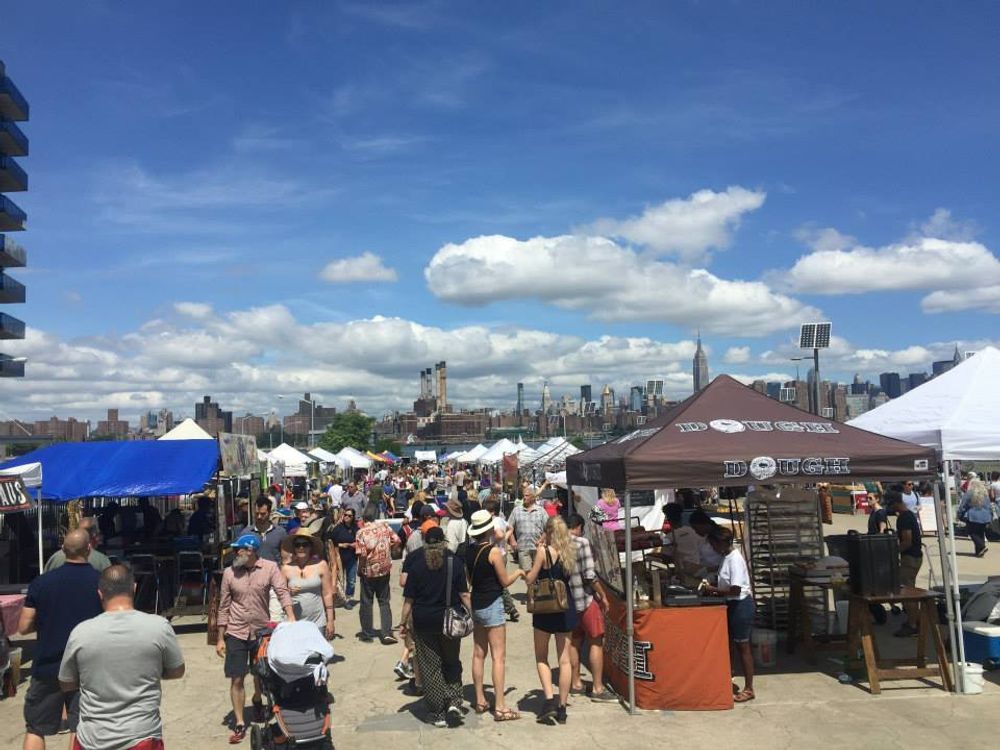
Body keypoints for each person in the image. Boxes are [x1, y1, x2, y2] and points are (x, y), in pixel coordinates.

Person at [58, 564, 185, 750]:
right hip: (142, 736)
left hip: (92, 738)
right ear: (134, 588)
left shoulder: (81, 632)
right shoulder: (159, 627)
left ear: (100, 593)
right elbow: (177, 670)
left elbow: (66, 682)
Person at [18, 530, 103, 750]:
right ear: (89, 549)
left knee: (35, 728)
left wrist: (47, 621)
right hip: (86, 668)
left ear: (63, 550)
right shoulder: (100, 583)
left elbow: (23, 627)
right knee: (80, 728)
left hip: (47, 666)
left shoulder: (41, 583)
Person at [216, 534, 295, 745]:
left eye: (238, 550)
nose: (235, 553)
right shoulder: (229, 573)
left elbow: (282, 591)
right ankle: (241, 722)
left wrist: (291, 616)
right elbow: (223, 606)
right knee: (237, 677)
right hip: (236, 631)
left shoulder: (269, 568)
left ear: (250, 551)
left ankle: (258, 699)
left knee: (262, 674)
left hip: (261, 630)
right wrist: (220, 638)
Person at [399, 526, 472, 728]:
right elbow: (464, 595)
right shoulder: (454, 562)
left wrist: (403, 623)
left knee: (431, 668)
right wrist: (472, 615)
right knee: (451, 661)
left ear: (425, 542)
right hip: (450, 622)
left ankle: (437, 711)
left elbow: (409, 600)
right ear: (443, 542)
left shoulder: (415, 563)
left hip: (423, 623)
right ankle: (454, 702)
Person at [465, 510, 525, 721]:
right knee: (498, 656)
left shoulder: (468, 551)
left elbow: (469, 580)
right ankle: (500, 706)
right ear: (489, 529)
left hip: (477, 603)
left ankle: (480, 699)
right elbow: (505, 581)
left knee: (478, 653)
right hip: (492, 603)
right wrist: (518, 573)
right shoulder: (493, 553)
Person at [525, 516, 578, 725]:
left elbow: (530, 579)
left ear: (547, 531)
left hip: (545, 608)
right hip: (565, 607)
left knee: (541, 657)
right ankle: (562, 706)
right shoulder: (569, 552)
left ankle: (549, 700)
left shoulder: (542, 552)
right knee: (564, 660)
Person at [701, 526, 755, 703]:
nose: (713, 549)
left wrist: (713, 589)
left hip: (741, 605)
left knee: (743, 647)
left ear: (721, 543)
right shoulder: (726, 557)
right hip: (732, 605)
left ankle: (749, 688)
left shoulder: (735, 559)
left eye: (714, 545)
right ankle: (727, 677)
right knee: (732, 644)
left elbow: (735, 589)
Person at [566, 514, 614, 701]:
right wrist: (603, 595)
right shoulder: (582, 543)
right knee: (595, 640)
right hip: (584, 599)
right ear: (578, 527)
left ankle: (575, 683)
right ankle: (597, 687)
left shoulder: (556, 543)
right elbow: (589, 575)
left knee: (574, 640)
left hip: (567, 603)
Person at [355, 502, 399, 644]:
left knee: (367, 602)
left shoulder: (361, 532)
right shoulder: (385, 527)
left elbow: (361, 555)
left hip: (368, 571)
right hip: (384, 569)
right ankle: (386, 632)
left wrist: (359, 569)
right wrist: (388, 550)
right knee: (384, 601)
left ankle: (367, 633)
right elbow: (397, 540)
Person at [280, 530, 335, 639]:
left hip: (318, 620)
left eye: (305, 544)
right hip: (294, 621)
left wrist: (330, 621)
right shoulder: (286, 568)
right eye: (297, 545)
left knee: (317, 654)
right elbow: (281, 594)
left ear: (311, 547)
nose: (301, 548)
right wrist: (289, 592)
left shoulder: (321, 565)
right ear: (294, 548)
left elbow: (327, 594)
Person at [885, 491, 923, 638]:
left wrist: (894, 552)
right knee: (908, 591)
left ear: (895, 503)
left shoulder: (904, 518)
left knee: (907, 593)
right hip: (913, 557)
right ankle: (915, 620)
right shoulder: (908, 515)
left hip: (910, 558)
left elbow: (907, 540)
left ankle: (913, 625)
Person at [506, 485, 549, 572]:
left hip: (538, 547)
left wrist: (541, 539)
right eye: (523, 495)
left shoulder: (541, 511)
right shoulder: (516, 510)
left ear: (533, 498)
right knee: (527, 575)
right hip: (523, 548)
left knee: (539, 573)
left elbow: (548, 528)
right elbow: (509, 527)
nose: (524, 498)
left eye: (527, 495)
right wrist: (512, 540)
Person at [44, 518, 111, 573]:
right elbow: (109, 585)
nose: (100, 538)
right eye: (99, 533)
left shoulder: (55, 558)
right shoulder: (102, 561)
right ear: (94, 535)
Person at [325, 508, 358, 605]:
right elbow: (329, 541)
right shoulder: (337, 528)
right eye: (345, 515)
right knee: (340, 580)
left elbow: (361, 540)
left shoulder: (355, 529)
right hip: (339, 558)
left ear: (353, 517)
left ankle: (348, 598)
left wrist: (356, 544)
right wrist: (341, 545)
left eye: (349, 516)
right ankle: (342, 599)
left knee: (351, 580)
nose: (347, 517)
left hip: (352, 557)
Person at [959, 479, 992, 558]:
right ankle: (979, 552)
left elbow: (963, 505)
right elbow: (989, 506)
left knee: (971, 532)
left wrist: (960, 514)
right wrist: (990, 516)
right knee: (980, 533)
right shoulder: (985, 494)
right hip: (985, 516)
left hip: (973, 516)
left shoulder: (969, 493)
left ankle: (982, 547)